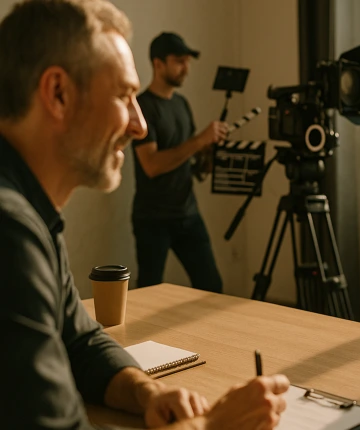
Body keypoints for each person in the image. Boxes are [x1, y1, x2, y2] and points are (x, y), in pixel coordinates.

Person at [0, 0, 288, 428]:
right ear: (58, 93)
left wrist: (145, 391)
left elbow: (79, 342)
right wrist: (211, 426)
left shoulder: (32, 214)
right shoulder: (10, 230)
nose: (140, 125)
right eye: (123, 96)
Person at [130, 31, 229, 293]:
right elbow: (151, 165)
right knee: (148, 293)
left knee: (211, 288)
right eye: (179, 61)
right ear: (158, 63)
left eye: (187, 61)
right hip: (153, 219)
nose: (186, 68)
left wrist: (209, 153)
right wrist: (199, 141)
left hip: (188, 213)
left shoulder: (182, 104)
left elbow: (191, 159)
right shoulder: (142, 107)